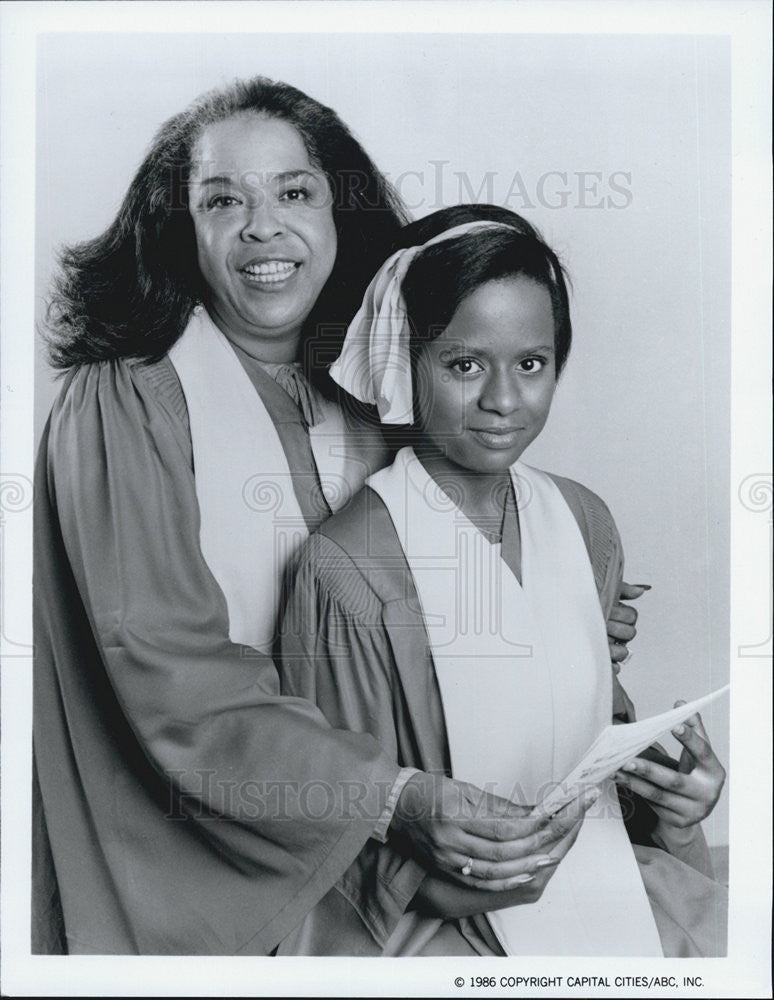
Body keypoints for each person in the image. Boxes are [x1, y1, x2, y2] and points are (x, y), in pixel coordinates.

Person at [34, 79, 642, 956]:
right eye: (221, 200)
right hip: (197, 859)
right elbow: (163, 667)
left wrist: (569, 607)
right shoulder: (127, 398)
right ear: (181, 229)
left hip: (392, 856)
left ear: (338, 211)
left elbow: (419, 599)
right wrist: (391, 797)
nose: (262, 226)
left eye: (294, 191)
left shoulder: (373, 387)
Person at [277, 205, 728, 956]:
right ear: (405, 361)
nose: (503, 400)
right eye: (463, 364)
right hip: (437, 923)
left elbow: (590, 753)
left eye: (531, 363)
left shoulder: (585, 521)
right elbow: (335, 818)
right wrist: (450, 884)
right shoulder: (346, 567)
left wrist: (675, 807)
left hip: (603, 880)